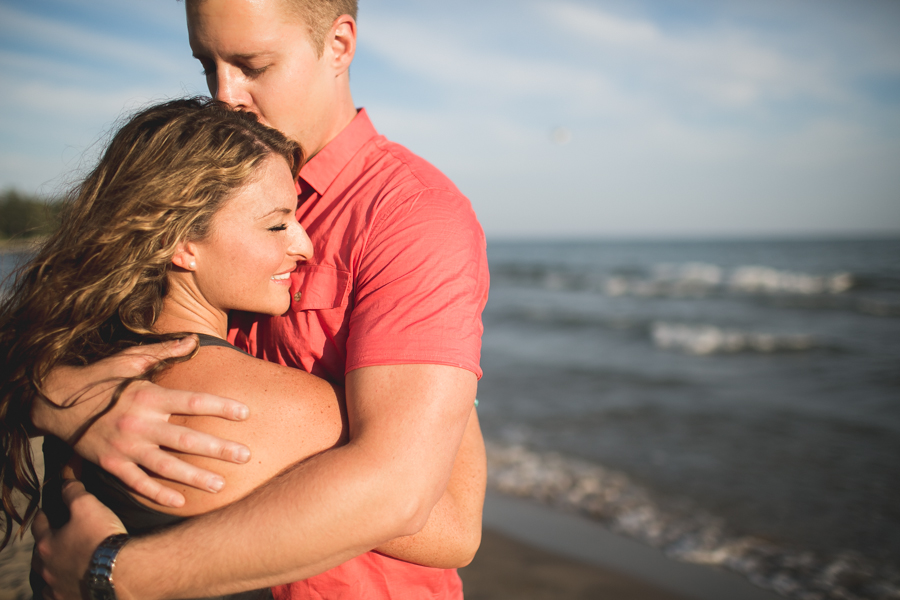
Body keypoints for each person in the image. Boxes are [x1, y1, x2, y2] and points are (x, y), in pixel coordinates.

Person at [30, 0, 490, 599]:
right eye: (206, 65)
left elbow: (421, 503)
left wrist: (117, 574)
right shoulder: (209, 178)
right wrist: (60, 395)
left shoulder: (409, 216)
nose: (225, 94)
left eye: (253, 65)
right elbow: (54, 317)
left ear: (340, 44)